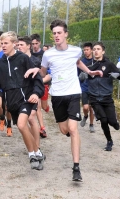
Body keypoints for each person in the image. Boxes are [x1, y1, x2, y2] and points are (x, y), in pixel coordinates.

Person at [38, 19, 102, 181]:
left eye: (59, 32)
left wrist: (90, 72)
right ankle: (70, 134)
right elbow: (43, 72)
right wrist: (35, 71)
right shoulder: (48, 54)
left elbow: (78, 62)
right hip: (57, 96)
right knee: (64, 129)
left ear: (66, 34)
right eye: (54, 33)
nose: (57, 35)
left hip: (73, 93)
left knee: (73, 129)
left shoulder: (75, 50)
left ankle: (76, 168)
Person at [0, 31, 45, 169]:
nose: (3, 46)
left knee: (21, 125)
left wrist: (37, 94)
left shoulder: (23, 59)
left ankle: (32, 155)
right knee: (22, 127)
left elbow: (37, 78)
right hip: (12, 101)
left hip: (26, 98)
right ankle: (37, 152)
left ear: (14, 44)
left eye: (6, 43)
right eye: (1, 43)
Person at [87, 42, 120, 151]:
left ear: (103, 51)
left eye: (98, 49)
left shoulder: (109, 65)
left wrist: (115, 75)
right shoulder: (89, 66)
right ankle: (109, 141)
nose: (96, 51)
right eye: (94, 49)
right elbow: (81, 76)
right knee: (103, 120)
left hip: (107, 98)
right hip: (94, 99)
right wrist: (83, 75)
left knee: (111, 121)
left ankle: (115, 123)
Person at [17, 36, 47, 142]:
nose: (19, 47)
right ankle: (32, 141)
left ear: (28, 46)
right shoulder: (17, 60)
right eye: (18, 45)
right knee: (22, 122)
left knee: (31, 118)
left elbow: (43, 76)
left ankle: (37, 145)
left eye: (21, 45)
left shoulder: (36, 61)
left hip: (34, 93)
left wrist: (37, 92)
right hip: (21, 94)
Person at [79, 42, 95, 132]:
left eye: (87, 50)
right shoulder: (81, 62)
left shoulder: (95, 61)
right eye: (84, 50)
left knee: (91, 107)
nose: (85, 51)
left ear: (91, 50)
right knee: (85, 107)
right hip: (84, 87)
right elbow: (77, 74)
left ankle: (91, 124)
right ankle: (85, 116)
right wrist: (80, 78)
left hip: (93, 88)